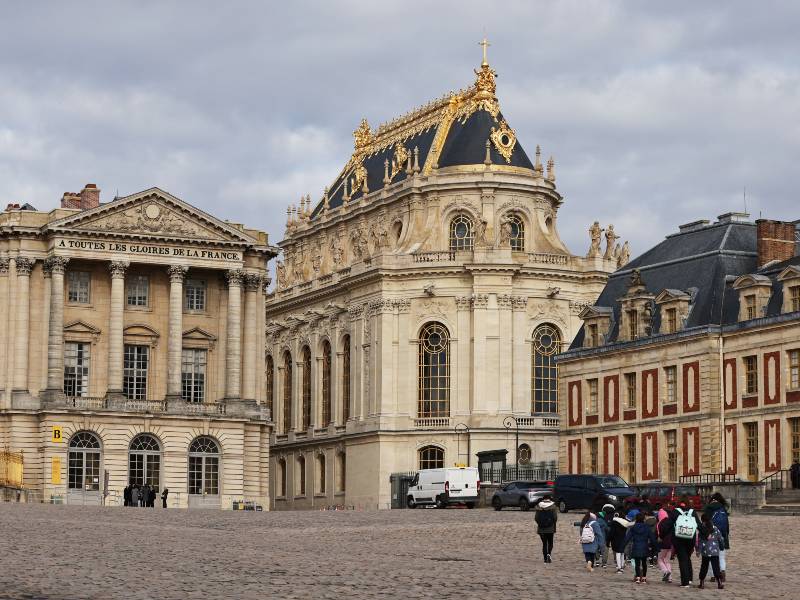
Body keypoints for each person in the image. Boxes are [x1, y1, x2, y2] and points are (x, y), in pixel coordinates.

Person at [703, 492, 730, 582]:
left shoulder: (709, 508)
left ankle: (713, 575)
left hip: (711, 534)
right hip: (722, 534)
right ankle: (722, 571)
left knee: (711, 556)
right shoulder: (723, 508)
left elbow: (705, 522)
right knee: (721, 556)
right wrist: (726, 534)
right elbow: (727, 524)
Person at [624, 513, 658, 583]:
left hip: (636, 546)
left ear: (636, 519)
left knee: (637, 563)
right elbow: (652, 538)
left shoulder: (633, 528)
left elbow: (627, 538)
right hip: (644, 546)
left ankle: (638, 578)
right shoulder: (647, 527)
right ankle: (644, 578)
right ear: (644, 519)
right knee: (644, 563)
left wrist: (622, 546)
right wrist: (656, 547)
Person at [671, 503, 699, 588]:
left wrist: (662, 534)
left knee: (682, 560)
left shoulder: (675, 512)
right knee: (687, 558)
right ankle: (689, 578)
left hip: (679, 539)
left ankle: (685, 582)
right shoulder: (693, 512)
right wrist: (706, 533)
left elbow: (668, 524)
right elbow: (699, 525)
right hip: (690, 539)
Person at [696, 513, 725, 589]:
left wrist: (698, 551)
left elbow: (700, 542)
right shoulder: (715, 529)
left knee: (704, 567)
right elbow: (720, 539)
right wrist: (722, 547)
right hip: (715, 551)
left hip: (706, 552)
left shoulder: (702, 530)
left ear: (703, 521)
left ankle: (702, 583)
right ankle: (719, 583)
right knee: (716, 567)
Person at [534, 494, 558, 563]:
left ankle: (545, 559)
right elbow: (555, 518)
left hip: (541, 529)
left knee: (544, 544)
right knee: (550, 543)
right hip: (550, 528)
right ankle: (549, 554)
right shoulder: (553, 506)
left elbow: (536, 518)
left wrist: (540, 523)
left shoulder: (539, 506)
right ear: (549, 499)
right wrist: (551, 523)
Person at [655, 507, 674, 583]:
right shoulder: (671, 522)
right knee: (667, 561)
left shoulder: (660, 523)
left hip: (663, 544)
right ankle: (670, 578)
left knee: (660, 559)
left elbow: (658, 535)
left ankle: (665, 571)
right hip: (671, 544)